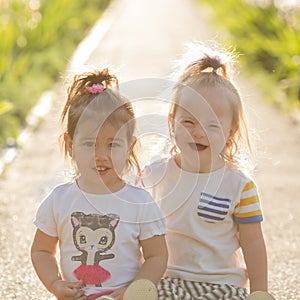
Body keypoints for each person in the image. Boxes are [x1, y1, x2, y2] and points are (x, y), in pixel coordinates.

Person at [142, 43, 269, 299]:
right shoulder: (154, 175)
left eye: (212, 125)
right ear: (172, 122)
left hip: (223, 285)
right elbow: (137, 231)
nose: (198, 132)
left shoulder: (238, 185)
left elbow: (253, 242)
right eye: (188, 122)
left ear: (230, 132)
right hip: (169, 280)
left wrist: (259, 291)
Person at [31, 69, 168, 300]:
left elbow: (157, 256)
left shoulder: (139, 202)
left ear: (130, 147)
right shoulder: (59, 200)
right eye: (89, 144)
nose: (100, 155)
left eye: (112, 145)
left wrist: (136, 290)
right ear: (70, 144)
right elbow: (41, 250)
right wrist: (55, 284)